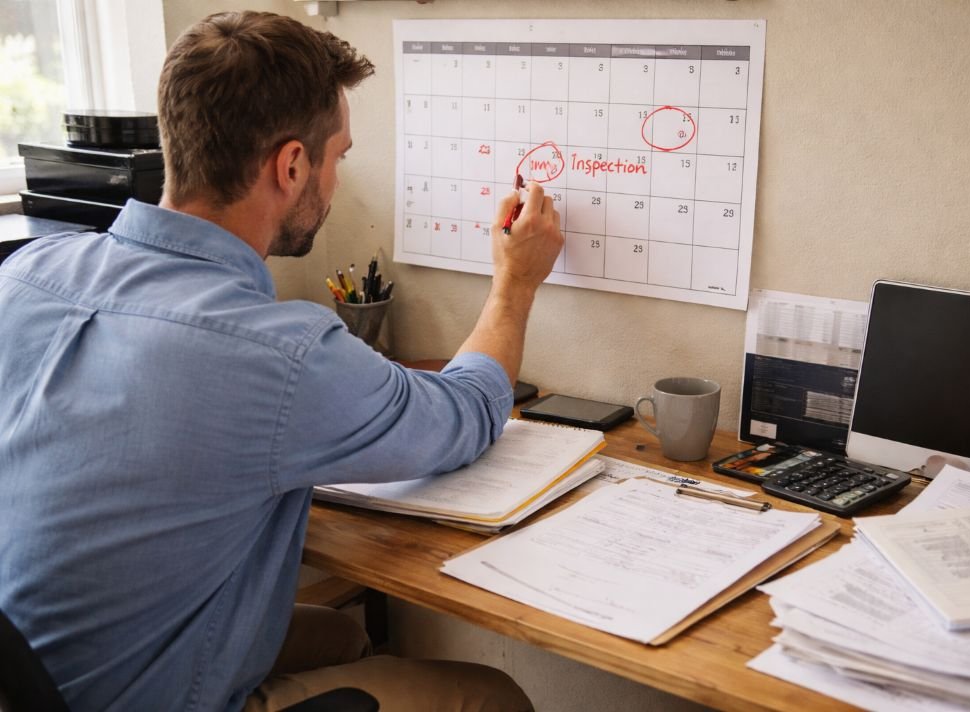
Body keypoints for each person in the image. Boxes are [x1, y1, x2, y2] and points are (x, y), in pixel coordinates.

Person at [0, 10, 562, 712]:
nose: (337, 177)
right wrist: (516, 282)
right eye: (339, 158)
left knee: (340, 636)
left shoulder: (25, 276)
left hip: (37, 677)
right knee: (489, 695)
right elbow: (467, 413)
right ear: (291, 165)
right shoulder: (274, 352)